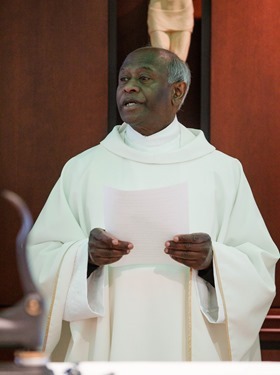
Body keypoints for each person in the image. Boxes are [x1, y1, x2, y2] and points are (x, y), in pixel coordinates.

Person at [27, 47, 279, 362]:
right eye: (123, 79)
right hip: (107, 341)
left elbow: (258, 264)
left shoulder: (221, 170)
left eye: (143, 78)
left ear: (177, 92)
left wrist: (213, 261)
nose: (129, 87)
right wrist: (84, 257)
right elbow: (41, 257)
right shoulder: (82, 169)